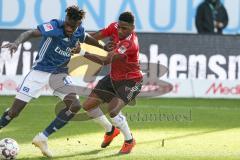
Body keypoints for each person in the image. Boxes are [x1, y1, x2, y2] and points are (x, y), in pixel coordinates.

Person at [0, 5, 110, 157]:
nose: (70, 28)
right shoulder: (54, 26)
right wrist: (17, 43)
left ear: (78, 24)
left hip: (59, 74)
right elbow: (31, 32)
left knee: (75, 105)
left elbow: (88, 38)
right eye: (68, 24)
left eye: (74, 26)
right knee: (14, 112)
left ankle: (42, 138)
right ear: (66, 19)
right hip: (39, 73)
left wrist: (103, 47)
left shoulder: (79, 30)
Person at [76, 11, 143, 154]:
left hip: (131, 81)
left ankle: (129, 140)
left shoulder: (130, 43)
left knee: (113, 110)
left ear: (132, 28)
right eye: (119, 27)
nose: (120, 30)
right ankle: (110, 130)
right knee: (88, 106)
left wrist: (81, 52)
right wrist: (78, 38)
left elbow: (105, 61)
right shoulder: (115, 27)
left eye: (124, 28)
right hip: (113, 78)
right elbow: (96, 36)